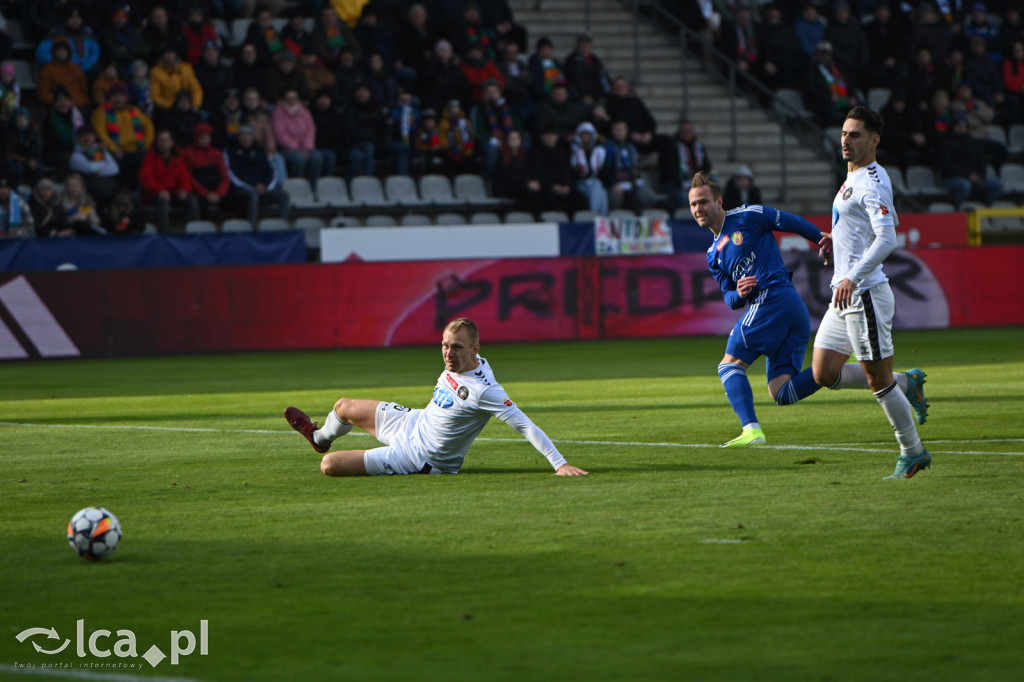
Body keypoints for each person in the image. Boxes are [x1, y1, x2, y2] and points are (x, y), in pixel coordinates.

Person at [284, 317, 589, 477]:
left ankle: (333, 450)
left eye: (456, 347)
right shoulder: (464, 361)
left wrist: (559, 464)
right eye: (444, 345)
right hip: (412, 422)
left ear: (475, 349)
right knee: (343, 406)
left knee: (329, 467)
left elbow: (524, 425)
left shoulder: (484, 390)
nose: (448, 352)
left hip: (421, 458)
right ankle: (319, 437)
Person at [811, 106, 931, 479]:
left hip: (862, 293)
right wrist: (840, 240)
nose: (846, 140)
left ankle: (913, 452)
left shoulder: (871, 181)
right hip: (842, 293)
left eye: (855, 135)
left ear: (874, 140)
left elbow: (888, 237)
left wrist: (852, 275)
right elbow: (878, 222)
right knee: (823, 372)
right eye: (844, 133)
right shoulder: (858, 176)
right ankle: (906, 383)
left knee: (878, 381)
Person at [688, 170, 828, 447]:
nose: (698, 209)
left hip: (773, 298)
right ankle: (835, 367)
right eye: (693, 204)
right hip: (787, 307)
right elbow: (729, 297)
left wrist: (822, 239)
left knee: (729, 366)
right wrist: (738, 294)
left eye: (703, 201)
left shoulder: (747, 216)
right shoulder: (713, 253)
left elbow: (792, 222)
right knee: (782, 392)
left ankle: (751, 431)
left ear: (719, 202)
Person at [139, 129, 199, 232]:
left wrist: (184, 189)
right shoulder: (150, 157)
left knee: (192, 199)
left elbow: (185, 176)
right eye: (161, 140)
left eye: (166, 140)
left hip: (174, 192)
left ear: (171, 142)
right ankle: (165, 234)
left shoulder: (178, 157)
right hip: (155, 194)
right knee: (163, 201)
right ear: (157, 142)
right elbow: (145, 178)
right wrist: (160, 190)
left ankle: (193, 232)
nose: (163, 143)